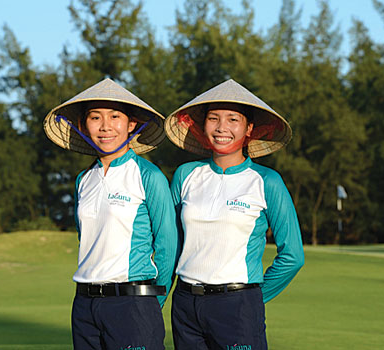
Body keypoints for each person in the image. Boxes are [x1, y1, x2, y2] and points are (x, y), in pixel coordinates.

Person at [164, 79, 305, 350]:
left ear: (249, 128)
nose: (221, 128)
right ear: (202, 125)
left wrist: (251, 299)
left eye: (233, 119)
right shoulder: (186, 175)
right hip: (185, 305)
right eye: (213, 118)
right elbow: (173, 245)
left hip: (238, 305)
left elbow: (293, 257)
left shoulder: (266, 181)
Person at [43, 78, 177, 350]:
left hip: (134, 303)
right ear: (83, 125)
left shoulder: (148, 175)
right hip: (84, 305)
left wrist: (152, 300)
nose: (105, 126)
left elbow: (167, 245)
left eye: (115, 116)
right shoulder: (84, 179)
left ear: (131, 124)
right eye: (95, 117)